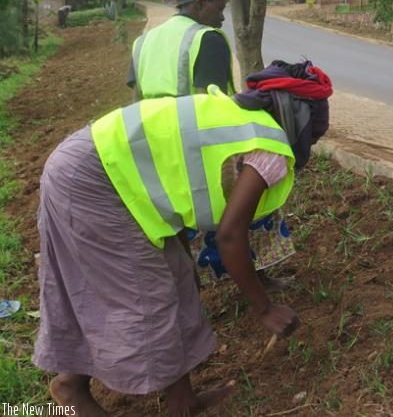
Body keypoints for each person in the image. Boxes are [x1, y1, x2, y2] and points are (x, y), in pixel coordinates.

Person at [33, 62, 332, 416]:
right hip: (95, 179)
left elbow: (177, 170)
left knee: (177, 278)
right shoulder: (268, 148)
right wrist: (264, 308)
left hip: (101, 167)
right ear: (298, 121)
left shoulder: (240, 118)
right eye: (313, 135)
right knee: (147, 294)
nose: (311, 143)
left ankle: (182, 402)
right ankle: (72, 389)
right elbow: (231, 234)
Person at [127, 0, 234, 100]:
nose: (222, 17)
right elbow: (214, 108)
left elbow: (136, 103)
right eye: (219, 9)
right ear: (200, 4)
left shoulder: (141, 43)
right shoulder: (209, 40)